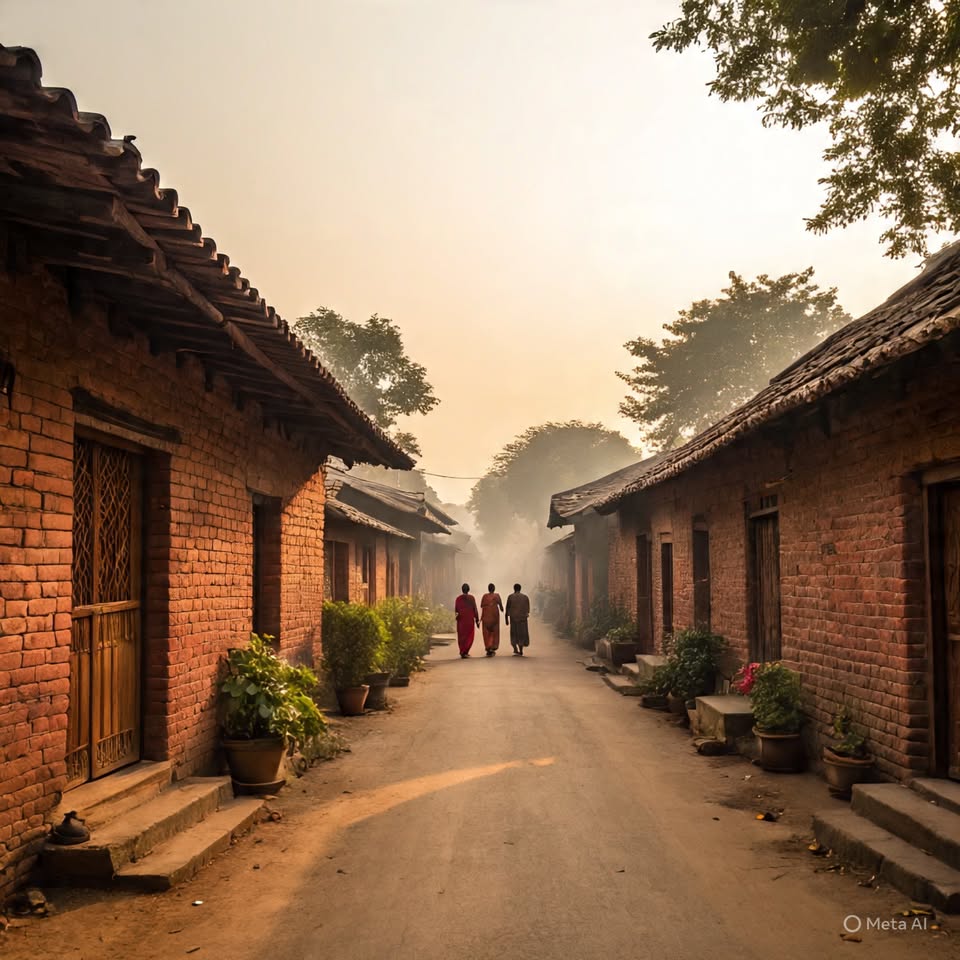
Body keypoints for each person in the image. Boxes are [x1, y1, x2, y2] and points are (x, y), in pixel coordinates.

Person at [454, 583, 480, 658]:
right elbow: (475, 609)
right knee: (469, 636)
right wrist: (477, 620)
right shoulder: (471, 598)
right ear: (468, 589)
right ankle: (465, 651)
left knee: (461, 636)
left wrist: (457, 618)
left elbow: (456, 610)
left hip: (461, 620)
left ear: (462, 590)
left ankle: (462, 651)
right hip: (469, 620)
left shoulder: (458, 599)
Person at [505, 583, 531, 656]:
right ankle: (521, 650)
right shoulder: (525, 597)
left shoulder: (510, 597)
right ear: (520, 589)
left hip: (513, 619)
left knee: (514, 634)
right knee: (521, 634)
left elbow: (507, 608)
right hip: (522, 619)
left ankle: (515, 649)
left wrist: (506, 618)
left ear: (514, 589)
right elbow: (527, 610)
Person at [480, 584, 504, 657]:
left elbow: (482, 605)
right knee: (494, 632)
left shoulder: (484, 596)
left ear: (488, 589)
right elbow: (501, 607)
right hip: (494, 616)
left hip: (486, 615)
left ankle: (488, 646)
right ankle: (492, 647)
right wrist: (502, 609)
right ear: (494, 589)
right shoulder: (497, 596)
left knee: (486, 632)